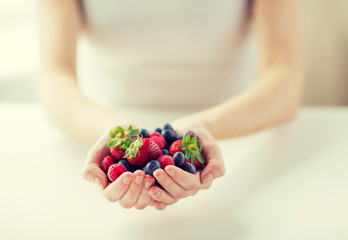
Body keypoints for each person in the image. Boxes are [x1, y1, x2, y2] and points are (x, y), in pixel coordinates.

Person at [38, 0, 304, 210]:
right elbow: (54, 79)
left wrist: (205, 127)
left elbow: (285, 80)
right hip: (97, 125)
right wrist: (109, 129)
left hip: (236, 130)